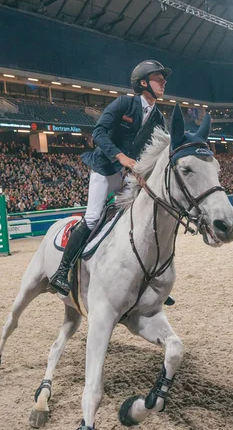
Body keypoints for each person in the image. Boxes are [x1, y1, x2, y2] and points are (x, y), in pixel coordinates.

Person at [49, 60, 174, 302]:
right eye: (159, 78)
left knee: (143, 219)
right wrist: (121, 157)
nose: (164, 82)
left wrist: (141, 171)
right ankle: (62, 272)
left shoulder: (158, 117)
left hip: (129, 174)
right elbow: (98, 133)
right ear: (143, 82)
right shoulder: (124, 103)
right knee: (93, 216)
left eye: (163, 79)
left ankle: (148, 278)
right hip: (105, 169)